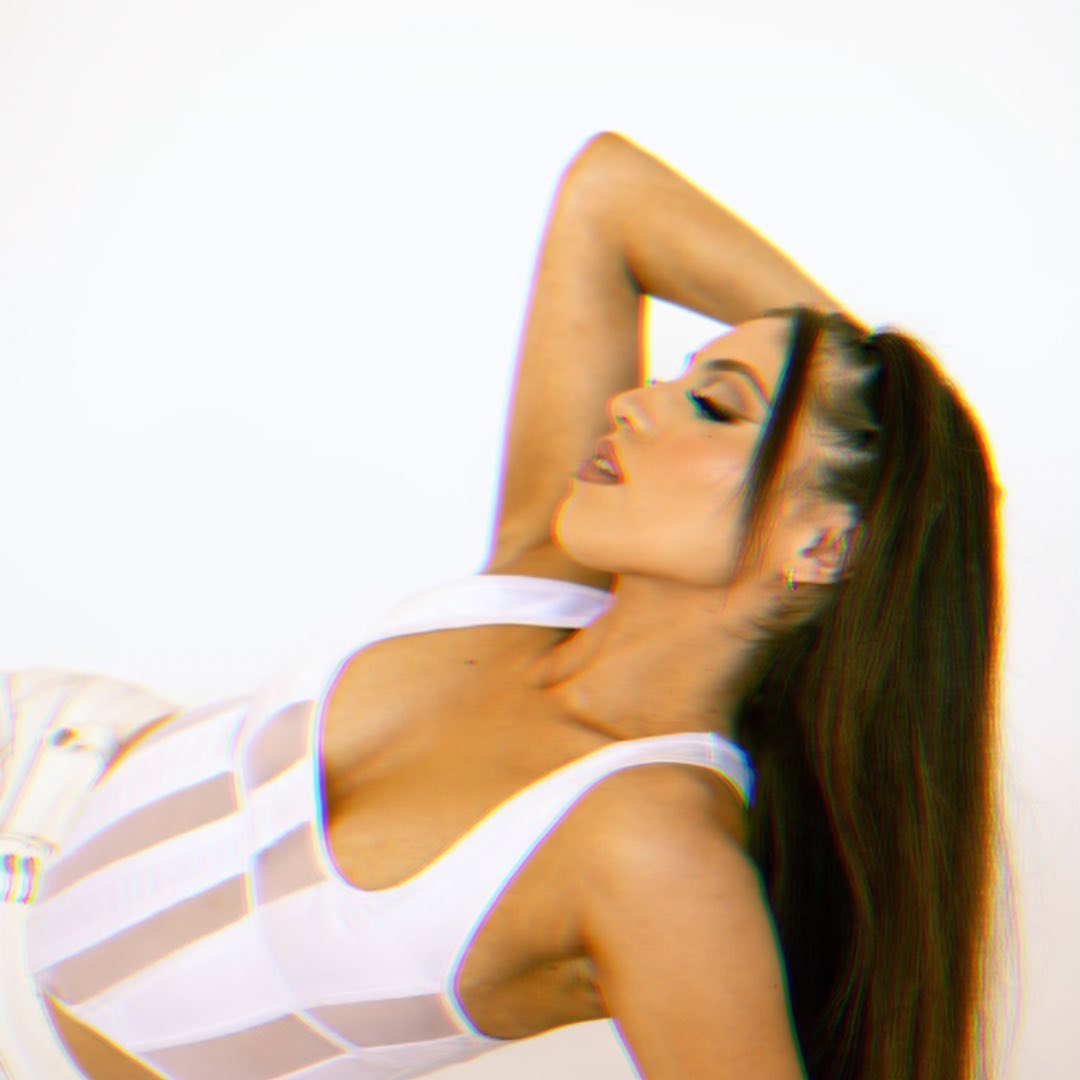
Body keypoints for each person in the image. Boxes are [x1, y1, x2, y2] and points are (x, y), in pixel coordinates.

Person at [1, 132, 1002, 1079]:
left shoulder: (652, 848)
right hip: (51, 757)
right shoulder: (544, 572)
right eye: (677, 378)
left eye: (713, 404)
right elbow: (608, 194)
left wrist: (894, 467)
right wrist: (889, 415)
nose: (633, 402)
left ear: (824, 545)